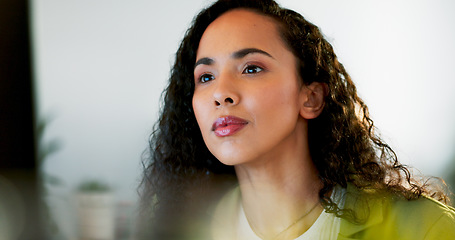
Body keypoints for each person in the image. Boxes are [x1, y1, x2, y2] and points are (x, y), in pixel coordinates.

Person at [140, 0, 455, 239]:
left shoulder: (424, 228)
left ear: (311, 97)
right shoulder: (183, 230)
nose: (221, 93)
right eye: (205, 77)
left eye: (251, 68)